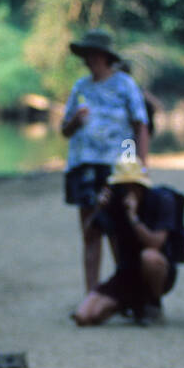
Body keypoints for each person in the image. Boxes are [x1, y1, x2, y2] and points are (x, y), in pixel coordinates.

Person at [60, 29, 150, 293]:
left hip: (117, 169)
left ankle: (122, 292)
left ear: (102, 56)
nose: (87, 59)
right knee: (91, 230)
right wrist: (74, 121)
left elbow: (140, 125)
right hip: (83, 165)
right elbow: (64, 130)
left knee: (117, 230)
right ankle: (92, 294)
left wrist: (142, 167)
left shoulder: (125, 85)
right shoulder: (80, 87)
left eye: (90, 53)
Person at [71, 160, 178, 326]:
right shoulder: (114, 203)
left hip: (156, 271)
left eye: (131, 186)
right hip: (126, 274)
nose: (127, 191)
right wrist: (98, 209)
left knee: (149, 257)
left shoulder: (161, 201)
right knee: (83, 316)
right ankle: (128, 304)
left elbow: (156, 244)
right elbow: (89, 237)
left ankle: (152, 305)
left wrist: (133, 218)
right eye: (121, 186)